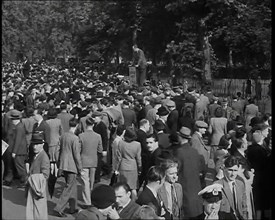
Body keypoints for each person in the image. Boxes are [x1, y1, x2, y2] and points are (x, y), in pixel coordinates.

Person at [172, 126, 206, 219]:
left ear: (179, 137)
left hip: (184, 188)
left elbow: (176, 170)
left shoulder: (179, 152)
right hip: (195, 187)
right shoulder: (195, 151)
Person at [54, 118, 83, 217]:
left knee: (72, 186)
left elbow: (58, 149)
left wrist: (59, 162)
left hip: (63, 163)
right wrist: (80, 168)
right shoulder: (75, 138)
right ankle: (59, 208)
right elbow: (76, 155)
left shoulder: (63, 136)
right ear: (77, 126)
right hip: (72, 166)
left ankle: (72, 207)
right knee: (68, 188)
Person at [214, 156, 248, 220]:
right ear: (224, 169)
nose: (233, 174)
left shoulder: (240, 184)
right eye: (230, 170)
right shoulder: (217, 185)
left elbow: (244, 206)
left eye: (235, 170)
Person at [79, 117, 103, 206]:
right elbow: (100, 150)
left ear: (86, 124)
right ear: (93, 125)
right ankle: (91, 196)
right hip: (93, 160)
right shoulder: (98, 136)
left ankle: (87, 201)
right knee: (91, 181)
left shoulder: (81, 136)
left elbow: (79, 149)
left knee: (85, 181)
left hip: (83, 160)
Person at [26, 132, 50, 220]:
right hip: (34, 188)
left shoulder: (44, 157)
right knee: (34, 213)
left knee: (39, 214)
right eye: (33, 144)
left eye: (37, 144)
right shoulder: (37, 155)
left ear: (42, 144)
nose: (34, 147)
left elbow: (45, 175)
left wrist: (31, 178)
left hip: (38, 189)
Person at [3, 110, 28, 188]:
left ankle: (24, 181)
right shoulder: (18, 126)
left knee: (20, 166)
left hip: (18, 151)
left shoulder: (19, 127)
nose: (12, 121)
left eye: (13, 119)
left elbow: (18, 140)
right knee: (16, 165)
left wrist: (14, 151)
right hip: (16, 150)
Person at [117, 126, 142, 200]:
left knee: (123, 187)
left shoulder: (121, 143)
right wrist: (140, 167)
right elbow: (138, 158)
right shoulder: (137, 144)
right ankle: (134, 203)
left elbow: (119, 157)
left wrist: (116, 168)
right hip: (133, 167)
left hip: (123, 166)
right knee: (133, 187)